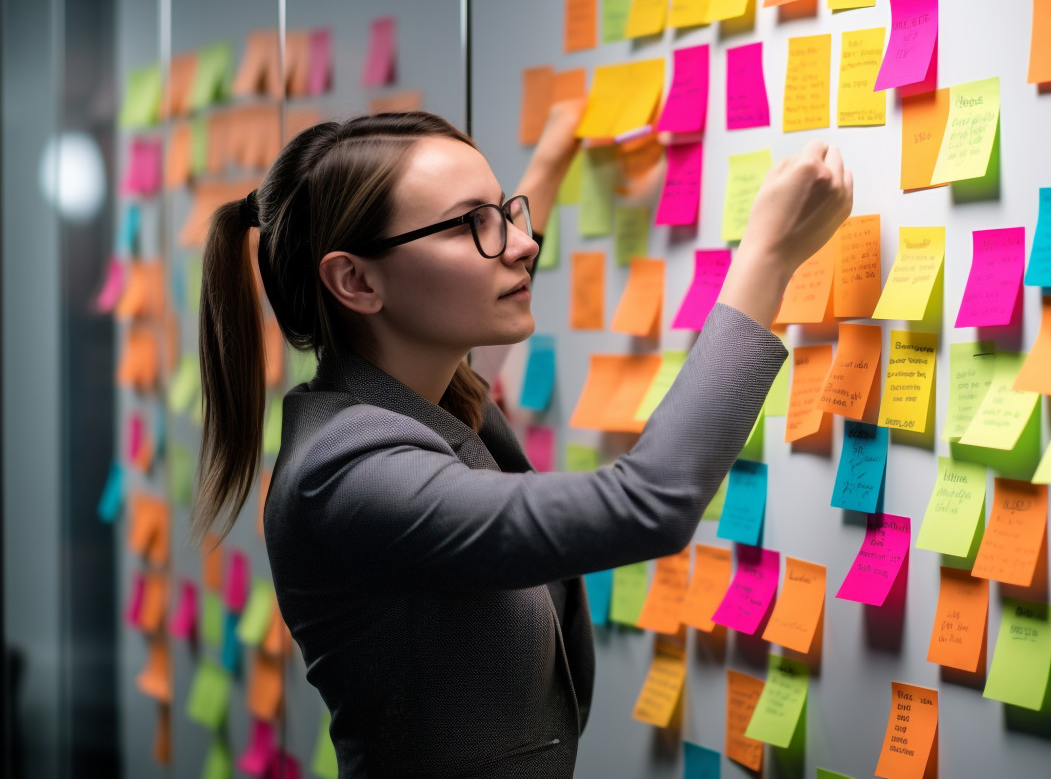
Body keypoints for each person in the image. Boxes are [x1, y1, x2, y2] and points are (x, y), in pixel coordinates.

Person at [194, 104, 853, 777]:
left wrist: (541, 171)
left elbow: (469, 314)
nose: (522, 243)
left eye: (506, 212)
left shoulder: (416, 393)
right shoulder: (346, 472)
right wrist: (768, 253)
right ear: (356, 281)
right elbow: (648, 502)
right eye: (472, 224)